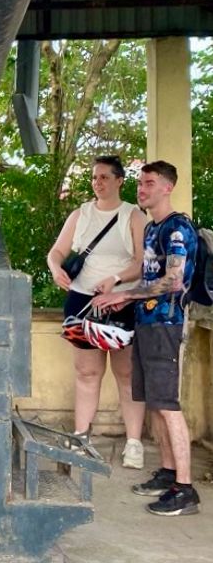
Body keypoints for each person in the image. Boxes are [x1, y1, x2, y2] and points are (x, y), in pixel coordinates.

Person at [94, 160, 200, 516]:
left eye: (150, 183)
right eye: (140, 183)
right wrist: (119, 292)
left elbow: (174, 281)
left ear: (167, 187)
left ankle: (185, 490)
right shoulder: (153, 229)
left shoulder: (176, 228)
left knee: (167, 405)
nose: (142, 189)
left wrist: (123, 295)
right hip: (145, 323)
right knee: (154, 403)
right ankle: (169, 473)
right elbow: (146, 279)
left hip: (166, 325)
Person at [46, 156, 147, 468]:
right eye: (94, 177)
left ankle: (133, 443)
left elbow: (143, 262)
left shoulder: (133, 215)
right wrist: (54, 268)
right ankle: (81, 435)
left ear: (119, 180)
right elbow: (58, 251)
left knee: (127, 373)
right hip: (83, 300)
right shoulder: (81, 214)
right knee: (87, 373)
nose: (98, 183)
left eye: (104, 177)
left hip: (119, 300)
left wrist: (116, 281)